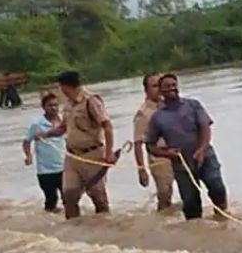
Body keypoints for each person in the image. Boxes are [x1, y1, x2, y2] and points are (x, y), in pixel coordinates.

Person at [143, 73, 229, 221]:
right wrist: (168, 153)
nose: (172, 88)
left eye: (173, 85)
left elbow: (205, 128)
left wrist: (201, 149)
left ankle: (223, 220)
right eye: (167, 86)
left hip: (205, 158)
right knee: (191, 205)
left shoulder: (193, 105)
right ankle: (197, 234)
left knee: (217, 188)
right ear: (161, 91)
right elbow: (150, 146)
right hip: (182, 166)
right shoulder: (157, 117)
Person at [35, 70, 116, 219]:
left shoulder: (91, 101)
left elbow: (107, 126)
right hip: (72, 156)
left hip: (92, 155)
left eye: (60, 87)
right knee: (69, 194)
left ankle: (105, 226)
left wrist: (109, 152)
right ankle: (73, 228)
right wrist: (45, 134)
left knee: (98, 195)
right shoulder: (67, 105)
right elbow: (63, 128)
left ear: (66, 86)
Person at [133, 72, 174, 211]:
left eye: (160, 85)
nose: (159, 89)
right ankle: (163, 221)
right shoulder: (143, 114)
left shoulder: (170, 105)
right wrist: (141, 169)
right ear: (146, 90)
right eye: (155, 86)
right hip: (159, 159)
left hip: (178, 154)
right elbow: (138, 143)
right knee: (165, 194)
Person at [23, 91, 65, 213]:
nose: (54, 108)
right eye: (50, 105)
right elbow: (26, 141)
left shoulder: (63, 122)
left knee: (69, 197)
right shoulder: (36, 124)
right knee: (51, 200)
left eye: (56, 105)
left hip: (64, 167)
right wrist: (28, 156)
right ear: (44, 107)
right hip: (45, 171)